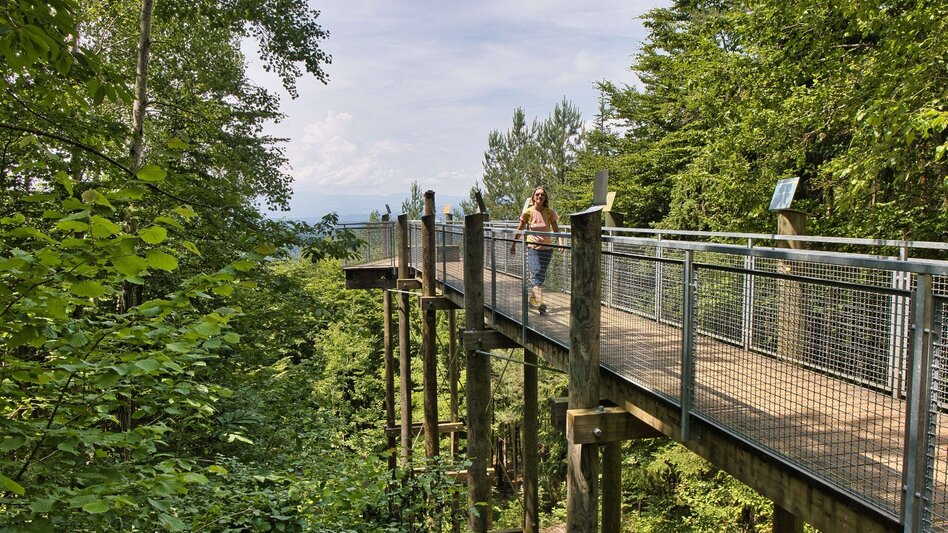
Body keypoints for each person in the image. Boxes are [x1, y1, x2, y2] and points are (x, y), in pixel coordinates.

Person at [509, 186, 559, 314]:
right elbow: (520, 229)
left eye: (542, 195)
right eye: (537, 195)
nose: (540, 197)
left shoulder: (550, 212)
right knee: (536, 273)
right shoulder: (528, 212)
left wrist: (560, 243)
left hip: (547, 249)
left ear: (545, 198)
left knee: (540, 276)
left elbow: (556, 230)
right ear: (533, 197)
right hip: (533, 248)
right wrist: (513, 244)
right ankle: (540, 303)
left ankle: (532, 300)